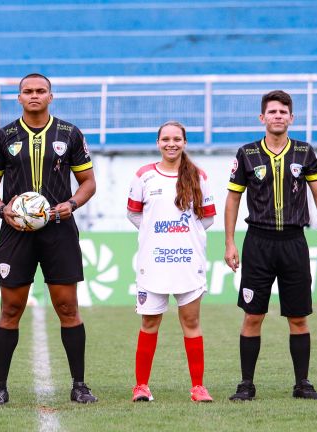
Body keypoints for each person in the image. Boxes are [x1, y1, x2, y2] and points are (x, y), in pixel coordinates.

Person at [0, 73, 98, 405]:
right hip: (15, 231)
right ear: (19, 98)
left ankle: (79, 385)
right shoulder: (4, 136)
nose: (34, 96)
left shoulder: (69, 133)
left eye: (40, 91)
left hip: (59, 229)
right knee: (11, 308)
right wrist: (3, 209)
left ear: (51, 96)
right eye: (27, 92)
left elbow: (88, 182)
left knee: (67, 307)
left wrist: (71, 204)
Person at [224, 90, 317, 401]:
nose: (277, 116)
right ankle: (246, 384)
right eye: (272, 112)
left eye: (283, 112)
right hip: (258, 242)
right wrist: (230, 242)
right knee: (252, 315)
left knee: (298, 316)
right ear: (262, 117)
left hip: (293, 243)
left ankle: (302, 383)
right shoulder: (246, 153)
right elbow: (233, 199)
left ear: (291, 118)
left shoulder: (304, 151)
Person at [127, 121, 216, 403]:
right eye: (166, 139)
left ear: (185, 142)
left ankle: (198, 387)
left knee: (191, 321)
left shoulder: (198, 176)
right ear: (158, 142)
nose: (171, 144)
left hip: (187, 260)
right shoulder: (143, 176)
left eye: (177, 139)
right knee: (149, 322)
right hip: (153, 261)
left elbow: (207, 218)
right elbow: (135, 215)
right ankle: (141, 386)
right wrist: (157, 235)